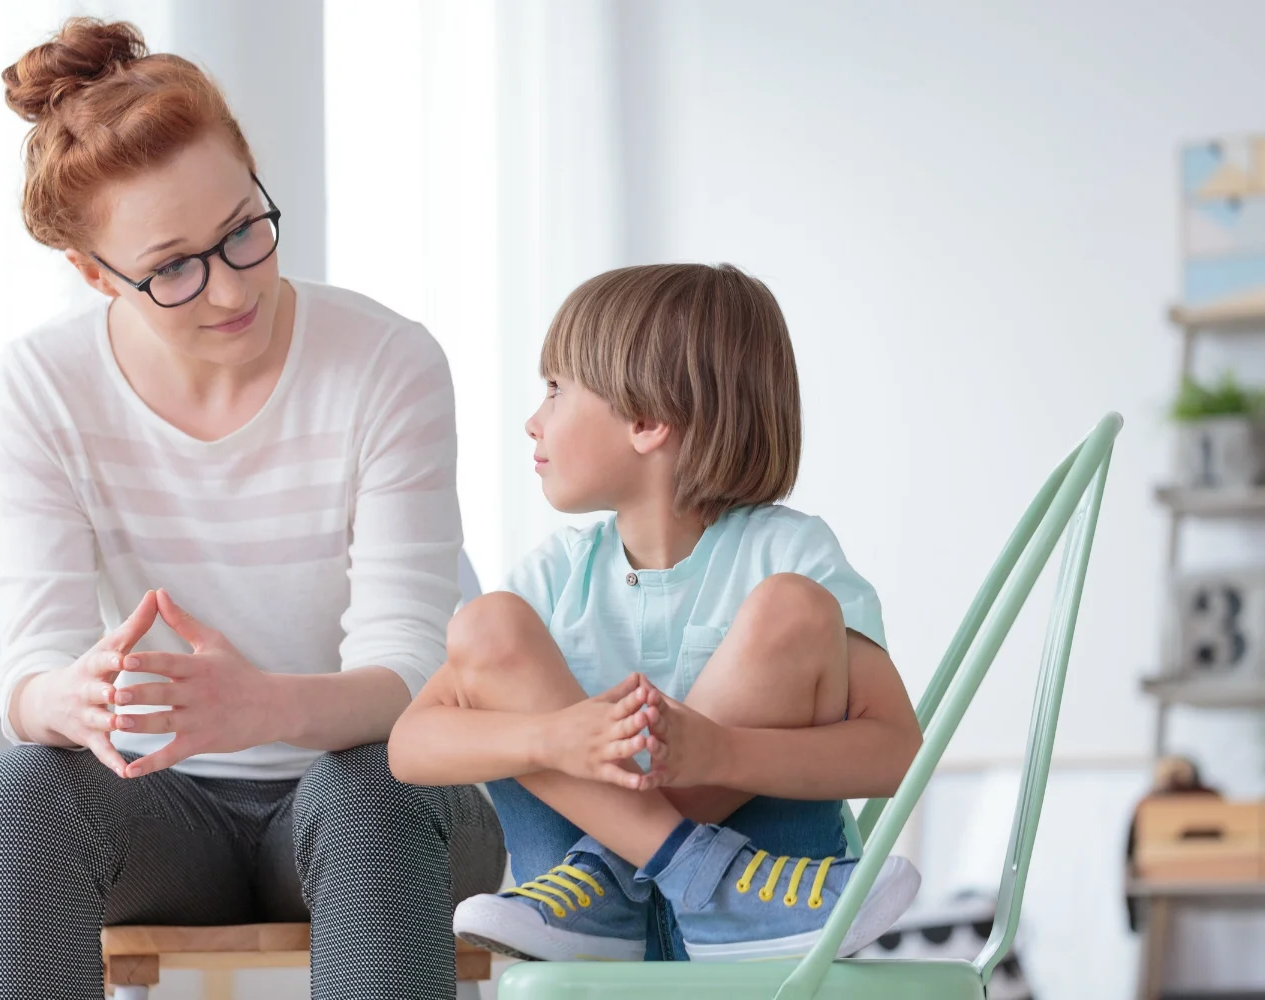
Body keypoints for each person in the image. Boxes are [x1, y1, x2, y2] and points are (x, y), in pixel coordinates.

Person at [0, 18, 504, 1000]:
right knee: (21, 790)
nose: (232, 288)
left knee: (370, 786)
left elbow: (412, 677)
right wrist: (65, 697)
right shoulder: (43, 384)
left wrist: (265, 707)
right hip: (163, 815)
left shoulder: (387, 362)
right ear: (94, 274)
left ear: (255, 178)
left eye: (245, 228)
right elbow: (28, 674)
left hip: (373, 798)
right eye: (173, 268)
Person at [388, 263, 923, 962]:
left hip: (774, 915)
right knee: (487, 625)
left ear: (646, 421)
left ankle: (631, 879)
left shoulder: (789, 556)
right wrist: (554, 737)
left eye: (556, 390)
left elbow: (896, 753)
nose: (534, 420)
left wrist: (723, 750)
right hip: (584, 926)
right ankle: (666, 881)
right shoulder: (553, 578)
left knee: (791, 607)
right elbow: (410, 746)